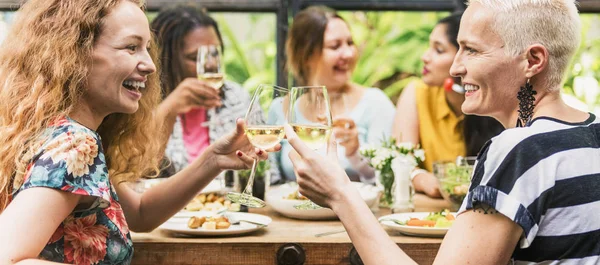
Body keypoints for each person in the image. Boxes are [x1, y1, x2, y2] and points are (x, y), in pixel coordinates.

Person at [286, 0, 600, 264]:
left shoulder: (520, 150)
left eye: (472, 50)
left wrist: (340, 194)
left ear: (532, 60)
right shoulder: (593, 130)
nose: (455, 68)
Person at [0, 0, 273, 264]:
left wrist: (213, 159)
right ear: (74, 53)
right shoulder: (76, 145)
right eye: (131, 47)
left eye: (147, 48)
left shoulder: (53, 130)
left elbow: (140, 213)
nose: (151, 65)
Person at [151, 6, 279, 179]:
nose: (210, 64)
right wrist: (168, 109)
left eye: (215, 53)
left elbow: (268, 174)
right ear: (165, 59)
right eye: (195, 57)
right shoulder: (144, 103)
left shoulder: (236, 97)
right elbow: (139, 174)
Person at [271, 5, 396, 183]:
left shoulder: (376, 104)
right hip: (293, 210)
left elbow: (389, 179)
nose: (349, 53)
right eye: (335, 46)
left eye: (350, 43)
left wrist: (355, 151)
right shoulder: (280, 109)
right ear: (306, 55)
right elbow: (268, 177)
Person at [392, 12, 504, 198]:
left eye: (439, 50)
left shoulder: (494, 101)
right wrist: (420, 178)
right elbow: (401, 158)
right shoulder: (417, 93)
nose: (425, 57)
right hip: (431, 208)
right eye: (429, 47)